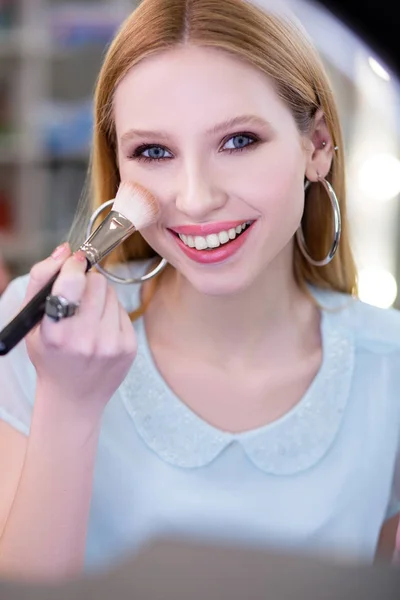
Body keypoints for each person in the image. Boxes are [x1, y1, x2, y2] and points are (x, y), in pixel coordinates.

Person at [0, 0, 399, 582]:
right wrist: (68, 404)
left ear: (317, 146)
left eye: (237, 141)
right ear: (120, 166)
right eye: (153, 152)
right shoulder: (42, 336)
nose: (195, 197)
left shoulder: (389, 368)